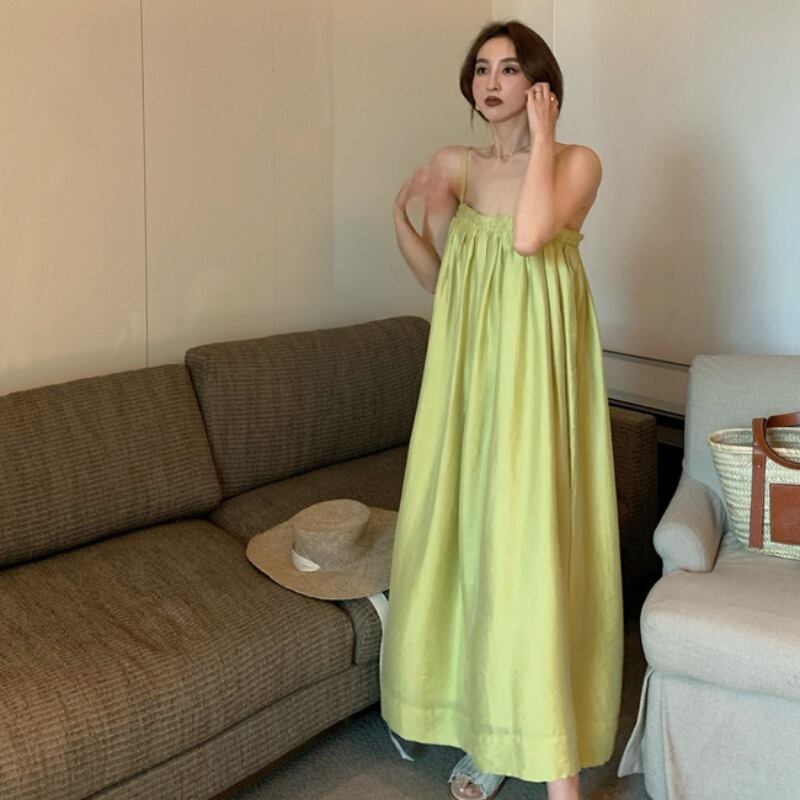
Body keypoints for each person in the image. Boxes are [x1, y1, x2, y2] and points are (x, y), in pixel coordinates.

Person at [380, 18, 624, 800]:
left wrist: (542, 139)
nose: (491, 82)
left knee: (533, 552)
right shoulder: (457, 165)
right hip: (473, 381)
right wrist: (403, 221)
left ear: (539, 81)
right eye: (481, 69)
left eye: (510, 68)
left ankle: (551, 752)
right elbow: (445, 280)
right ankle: (489, 733)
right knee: (476, 548)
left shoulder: (578, 162)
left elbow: (527, 237)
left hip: (538, 383)